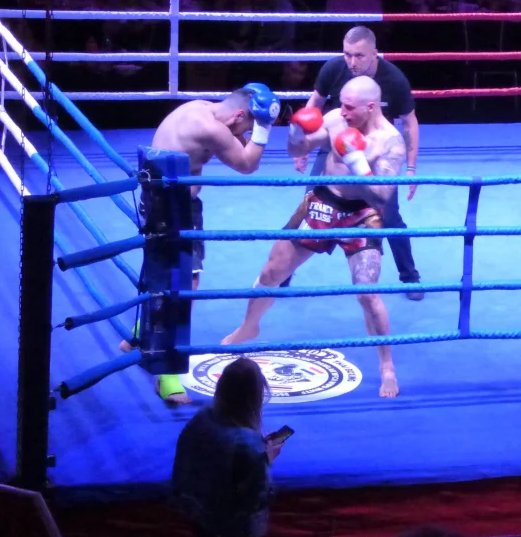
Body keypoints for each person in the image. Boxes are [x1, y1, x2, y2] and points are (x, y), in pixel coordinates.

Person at [223, 76, 405, 399]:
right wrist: (296, 131)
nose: (342, 112)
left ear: (371, 107)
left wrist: (357, 162)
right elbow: (298, 148)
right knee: (272, 271)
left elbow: (381, 197)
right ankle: (248, 326)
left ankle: (387, 366)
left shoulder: (391, 141)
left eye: (350, 108)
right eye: (342, 105)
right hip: (324, 201)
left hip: (363, 213)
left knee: (367, 291)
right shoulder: (336, 119)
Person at [121, 83, 281, 405]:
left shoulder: (201, 108)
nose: (246, 133)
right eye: (248, 126)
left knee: (159, 272)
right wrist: (265, 127)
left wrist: (247, 129)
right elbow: (248, 163)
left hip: (156, 200)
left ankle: (141, 332)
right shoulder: (212, 129)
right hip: (175, 210)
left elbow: (235, 143)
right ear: (239, 115)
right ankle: (167, 374)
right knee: (185, 284)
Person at [284, 26, 423, 300]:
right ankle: (283, 272)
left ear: (374, 53)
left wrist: (410, 167)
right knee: (311, 202)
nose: (352, 62)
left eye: (359, 55)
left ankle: (410, 277)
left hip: (376, 150)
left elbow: (409, 122)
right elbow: (315, 102)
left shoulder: (393, 79)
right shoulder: (334, 68)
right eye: (347, 54)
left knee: (388, 214)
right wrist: (303, 144)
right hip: (334, 142)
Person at [171, 357, 285, 537]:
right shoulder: (246, 445)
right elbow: (257, 499)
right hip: (230, 527)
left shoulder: (202, 417)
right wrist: (266, 461)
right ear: (255, 397)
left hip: (197, 514)